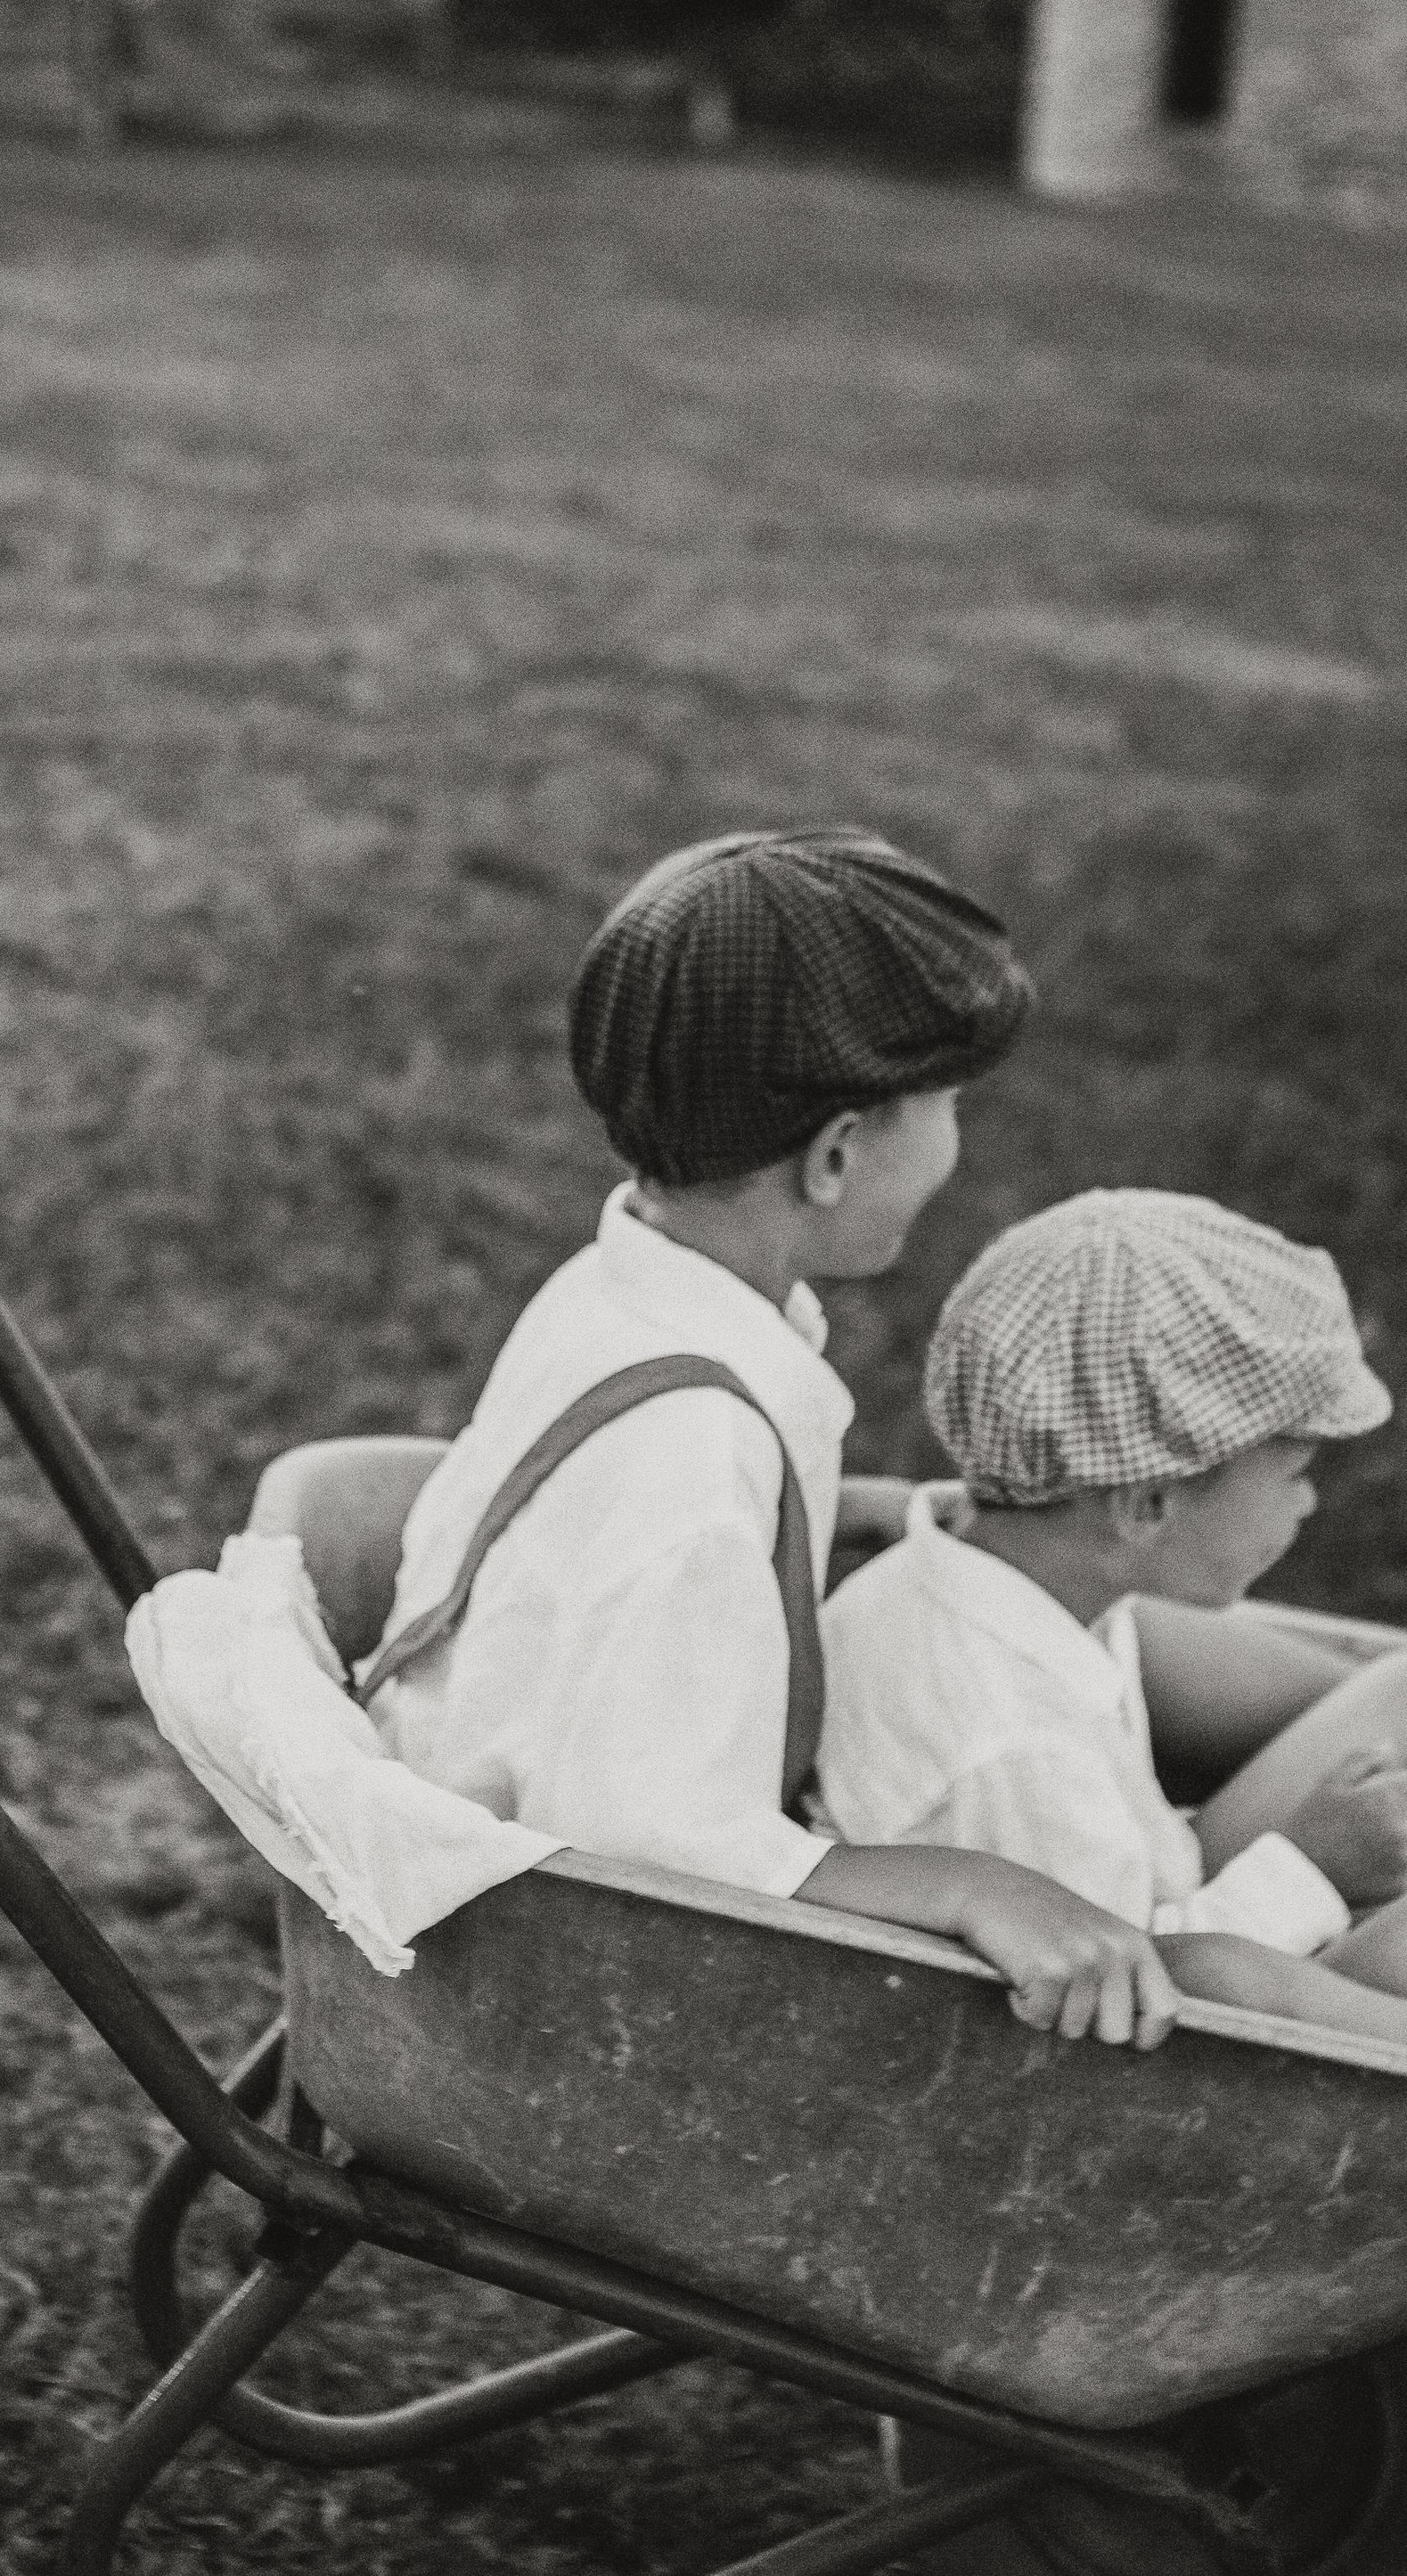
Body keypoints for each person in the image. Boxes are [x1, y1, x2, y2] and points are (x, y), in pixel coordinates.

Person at [365, 827, 1186, 2051]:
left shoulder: (625, 1293)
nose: (960, 1144)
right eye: (949, 1107)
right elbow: (659, 1857)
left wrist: (831, 1510)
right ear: (838, 1155)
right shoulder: (691, 1466)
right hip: (550, 1995)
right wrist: (977, 1887)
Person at [819, 1189, 1407, 2046]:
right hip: (1173, 2005)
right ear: (1148, 1505)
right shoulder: (1014, 1752)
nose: (1311, 1501)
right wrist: (1311, 1869)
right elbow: (1132, 2000)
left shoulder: (1011, 1578)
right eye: (1295, 1472)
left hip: (1165, 1886)